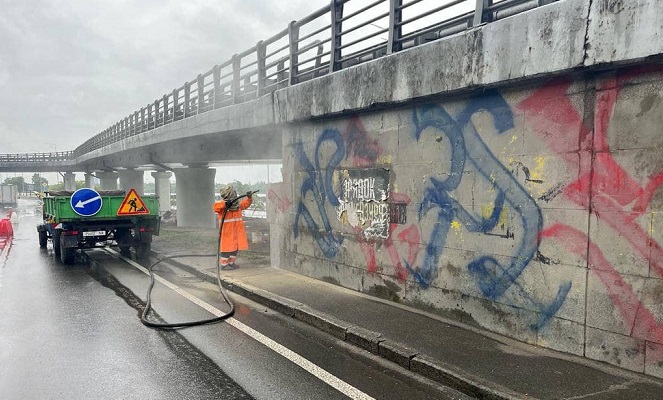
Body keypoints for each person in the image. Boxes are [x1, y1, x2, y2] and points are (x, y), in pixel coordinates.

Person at [213, 184, 253, 269]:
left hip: (237, 231)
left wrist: (249, 198)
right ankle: (224, 264)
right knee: (227, 248)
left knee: (235, 247)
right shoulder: (222, 205)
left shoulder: (237, 205)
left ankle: (231, 263)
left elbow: (245, 204)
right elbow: (216, 207)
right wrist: (225, 204)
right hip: (227, 231)